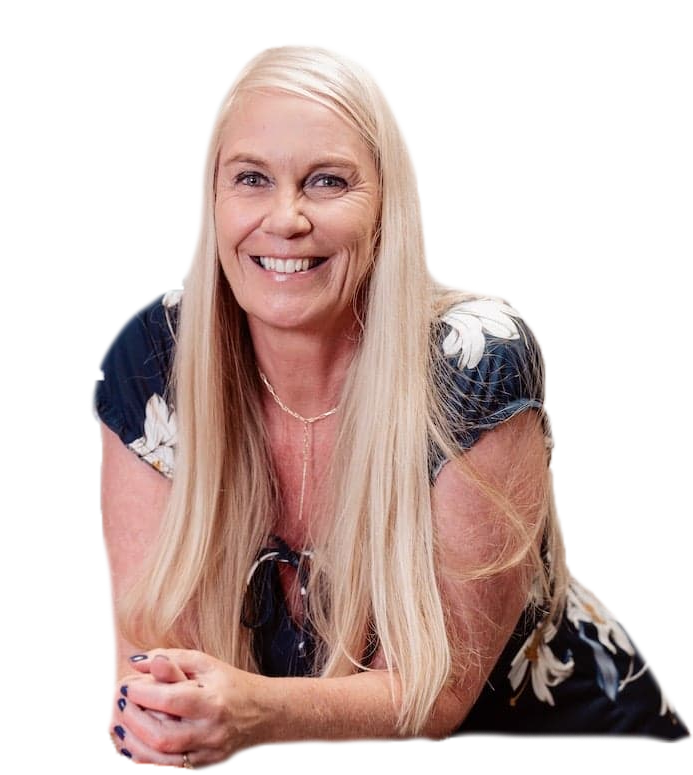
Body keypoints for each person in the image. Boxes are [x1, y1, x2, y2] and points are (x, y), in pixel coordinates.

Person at [83, 39, 690, 771]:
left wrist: (254, 713)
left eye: (327, 181)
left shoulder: (474, 358)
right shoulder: (154, 354)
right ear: (211, 200)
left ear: (386, 206)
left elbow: (435, 693)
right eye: (250, 178)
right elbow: (144, 662)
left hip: (575, 747)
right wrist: (160, 719)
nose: (285, 218)